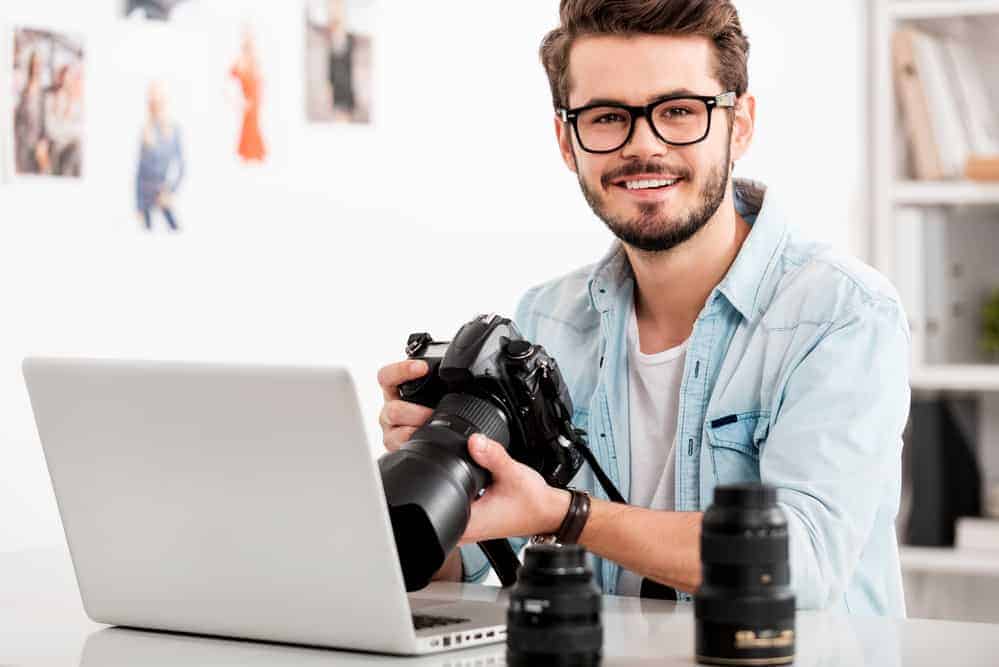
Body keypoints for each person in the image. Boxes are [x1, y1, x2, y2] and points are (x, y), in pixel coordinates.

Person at [377, 0, 910, 616]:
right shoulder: (548, 319)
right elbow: (476, 559)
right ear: (566, 140)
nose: (644, 146)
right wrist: (429, 481)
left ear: (739, 125)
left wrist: (568, 514)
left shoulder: (842, 314)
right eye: (607, 117)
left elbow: (799, 563)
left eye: (679, 110)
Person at [136, 81, 184, 232]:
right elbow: (139, 172)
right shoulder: (146, 131)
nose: (156, 105)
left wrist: (170, 191)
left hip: (164, 193)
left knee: (175, 229)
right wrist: (138, 205)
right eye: (152, 102)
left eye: (159, 101)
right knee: (146, 232)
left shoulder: (174, 130)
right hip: (145, 196)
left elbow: (182, 167)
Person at [230, 26, 266, 163]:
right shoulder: (241, 62)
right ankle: (248, 152)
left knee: (252, 125)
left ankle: (255, 152)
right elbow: (230, 79)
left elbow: (260, 81)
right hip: (248, 99)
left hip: (254, 100)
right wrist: (238, 100)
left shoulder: (255, 61)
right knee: (248, 126)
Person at [14, 51, 47, 175]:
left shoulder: (43, 92)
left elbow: (43, 120)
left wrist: (43, 141)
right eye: (34, 64)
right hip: (23, 141)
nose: (36, 68)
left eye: (38, 64)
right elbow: (17, 117)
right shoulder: (23, 90)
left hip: (38, 143)